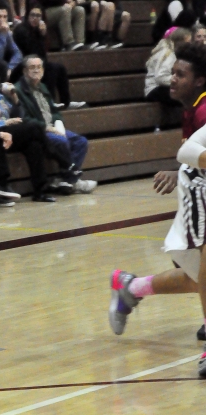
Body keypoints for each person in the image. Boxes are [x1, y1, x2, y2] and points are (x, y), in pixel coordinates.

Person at [109, 44, 206, 354]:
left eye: (180, 74)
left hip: (198, 196)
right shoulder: (196, 109)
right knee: (198, 273)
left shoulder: (201, 109)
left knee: (196, 275)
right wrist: (182, 171)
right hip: (199, 200)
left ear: (200, 80)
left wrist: (182, 171)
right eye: (172, 73)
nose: (172, 79)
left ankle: (131, 287)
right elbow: (193, 156)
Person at [0, 62, 56, 202]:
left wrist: (14, 96)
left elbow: (19, 116)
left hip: (9, 135)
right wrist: (4, 123)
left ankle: (40, 191)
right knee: (34, 127)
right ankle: (53, 152)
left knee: (34, 145)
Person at [15, 55, 97, 194]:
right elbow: (23, 118)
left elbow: (54, 111)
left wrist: (58, 123)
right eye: (32, 67)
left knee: (80, 141)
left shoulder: (43, 87)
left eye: (39, 67)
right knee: (60, 140)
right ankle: (73, 180)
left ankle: (65, 179)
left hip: (53, 127)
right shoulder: (18, 91)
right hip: (39, 131)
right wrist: (47, 127)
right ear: (24, 71)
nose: (36, 70)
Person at [11, 3, 86, 109]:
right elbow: (31, 52)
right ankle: (50, 101)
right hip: (22, 66)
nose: (35, 18)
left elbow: (42, 54)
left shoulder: (38, 30)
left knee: (60, 68)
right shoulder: (21, 30)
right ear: (27, 15)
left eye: (38, 16)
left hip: (36, 62)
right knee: (50, 69)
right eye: (32, 15)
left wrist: (43, 35)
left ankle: (66, 102)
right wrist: (41, 36)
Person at [145, 27, 191, 106]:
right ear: (180, 42)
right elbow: (161, 77)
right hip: (155, 89)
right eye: (187, 42)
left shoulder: (174, 53)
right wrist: (179, 82)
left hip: (162, 88)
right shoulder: (168, 54)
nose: (190, 45)